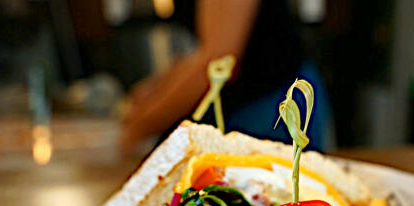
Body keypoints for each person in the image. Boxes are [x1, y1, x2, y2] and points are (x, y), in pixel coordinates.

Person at [120, 0, 332, 155]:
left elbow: (219, 59)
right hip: (242, 100)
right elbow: (204, 50)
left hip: (270, 101)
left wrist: (136, 130)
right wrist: (155, 90)